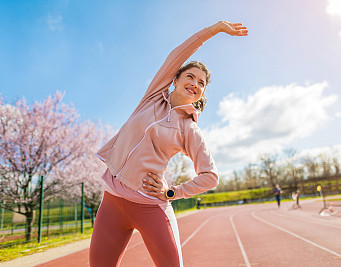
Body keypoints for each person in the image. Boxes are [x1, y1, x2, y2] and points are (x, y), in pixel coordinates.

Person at [89, 21, 248, 267]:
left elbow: (210, 176)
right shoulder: (153, 96)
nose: (195, 83)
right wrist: (214, 29)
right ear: (175, 80)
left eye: (201, 83)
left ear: (202, 94)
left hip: (150, 206)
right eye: (190, 76)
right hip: (112, 200)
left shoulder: (189, 129)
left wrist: (172, 192)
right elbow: (179, 54)